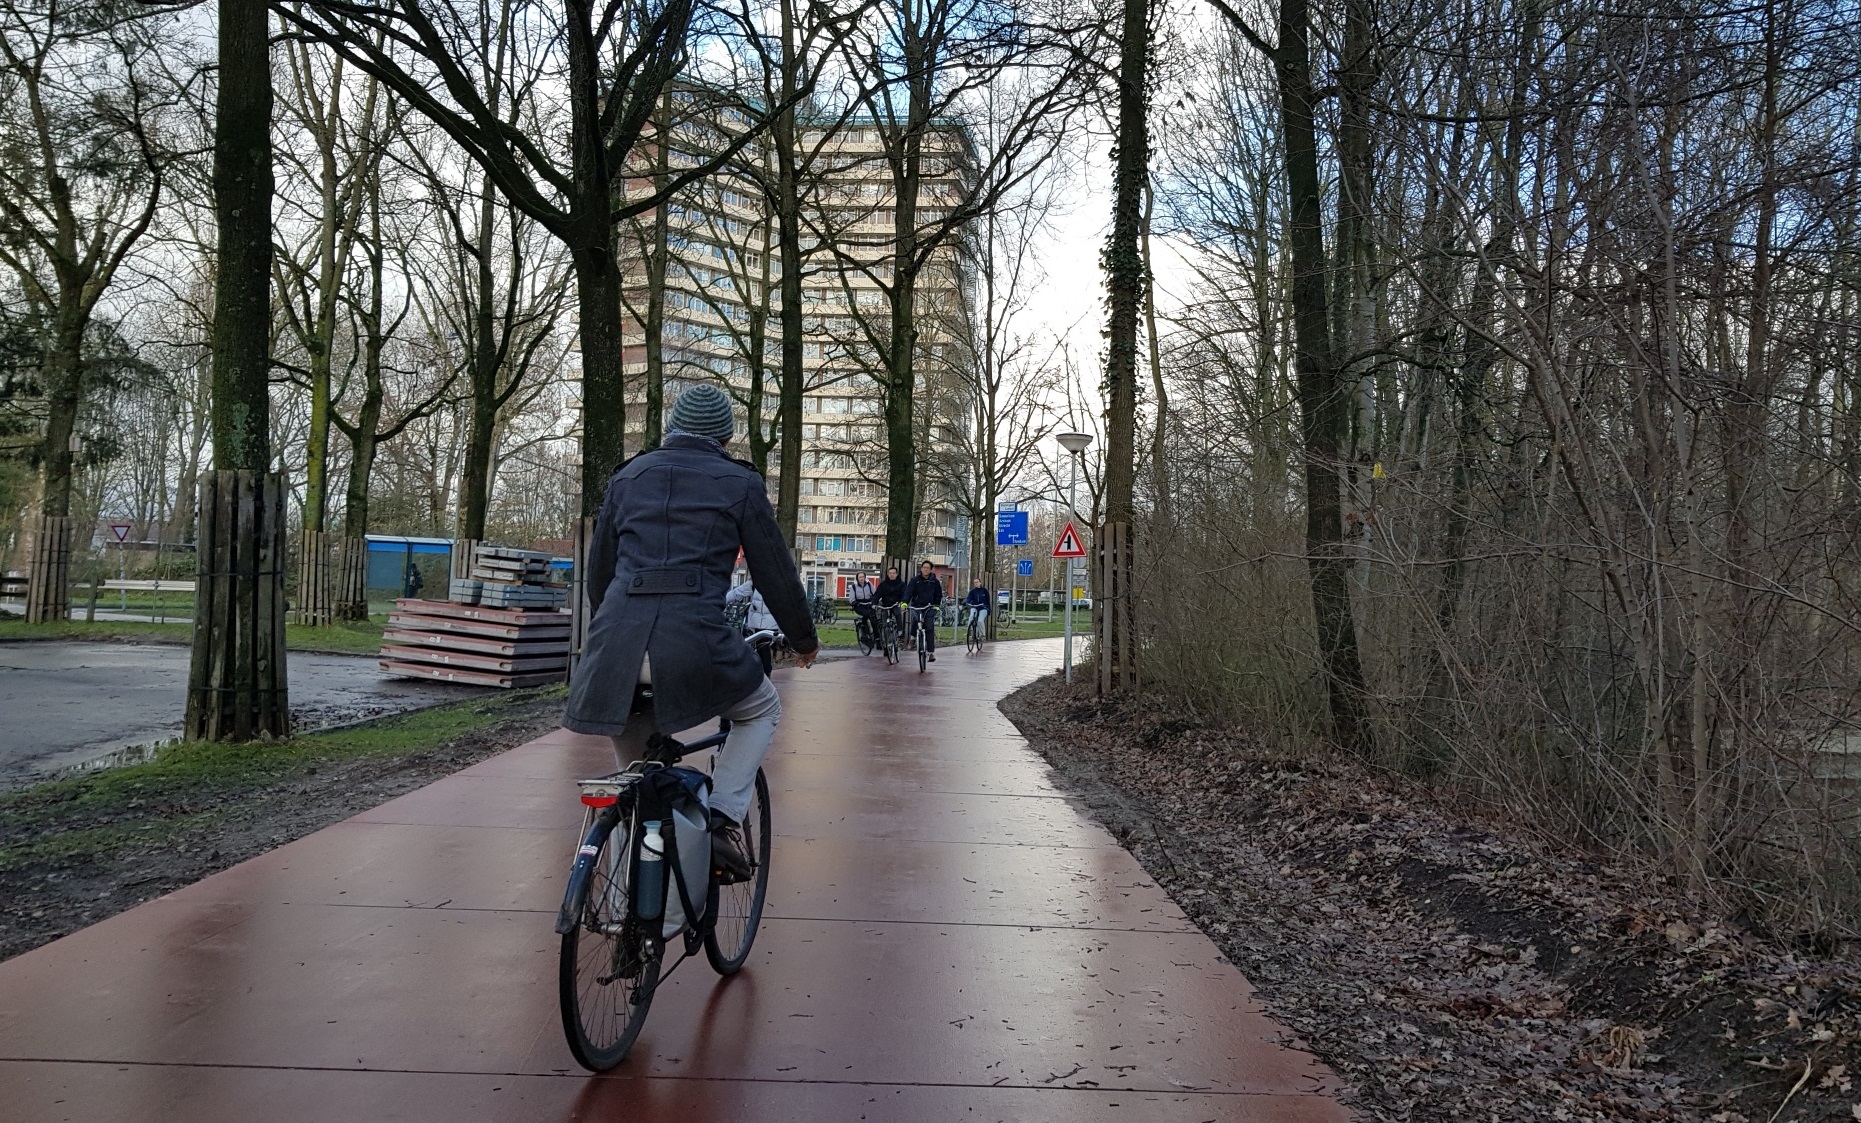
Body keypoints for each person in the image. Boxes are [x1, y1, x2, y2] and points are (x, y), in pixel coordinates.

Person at [564, 383, 819, 880]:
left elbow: (601, 576)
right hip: (692, 644)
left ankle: (622, 918)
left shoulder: (628, 477)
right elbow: (775, 574)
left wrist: (613, 637)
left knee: (634, 787)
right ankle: (720, 820)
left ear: (670, 430)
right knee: (761, 709)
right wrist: (804, 642)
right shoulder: (738, 484)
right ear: (725, 439)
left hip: (615, 649)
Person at [726, 578, 783, 675]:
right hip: (756, 624)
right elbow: (737, 592)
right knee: (758, 652)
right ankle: (761, 675)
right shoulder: (754, 583)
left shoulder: (777, 583)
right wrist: (719, 601)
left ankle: (765, 675)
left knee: (763, 651)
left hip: (770, 624)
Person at [904, 560, 944, 661]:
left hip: (930, 607)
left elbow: (938, 595)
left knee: (929, 627)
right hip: (917, 605)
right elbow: (908, 592)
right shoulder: (915, 580)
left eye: (928, 568)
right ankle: (912, 638)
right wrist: (904, 602)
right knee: (916, 618)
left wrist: (936, 605)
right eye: (924, 567)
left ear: (930, 570)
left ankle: (930, 653)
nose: (925, 569)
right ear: (921, 568)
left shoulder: (934, 581)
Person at [875, 565, 906, 640]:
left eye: (893, 573)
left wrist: (903, 604)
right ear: (888, 574)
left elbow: (904, 595)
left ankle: (899, 631)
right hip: (885, 604)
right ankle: (885, 638)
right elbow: (877, 594)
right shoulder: (883, 584)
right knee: (885, 622)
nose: (892, 575)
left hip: (895, 604)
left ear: (896, 574)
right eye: (890, 573)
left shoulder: (901, 584)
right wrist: (874, 603)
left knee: (898, 614)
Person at [847, 573, 878, 644]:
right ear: (857, 578)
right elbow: (851, 598)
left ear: (865, 577)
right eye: (860, 577)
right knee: (866, 614)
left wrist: (875, 600)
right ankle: (863, 627)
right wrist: (855, 602)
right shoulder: (854, 587)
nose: (861, 578)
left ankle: (877, 638)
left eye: (863, 577)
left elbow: (875, 593)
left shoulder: (869, 585)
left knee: (874, 620)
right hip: (859, 606)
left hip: (868, 604)